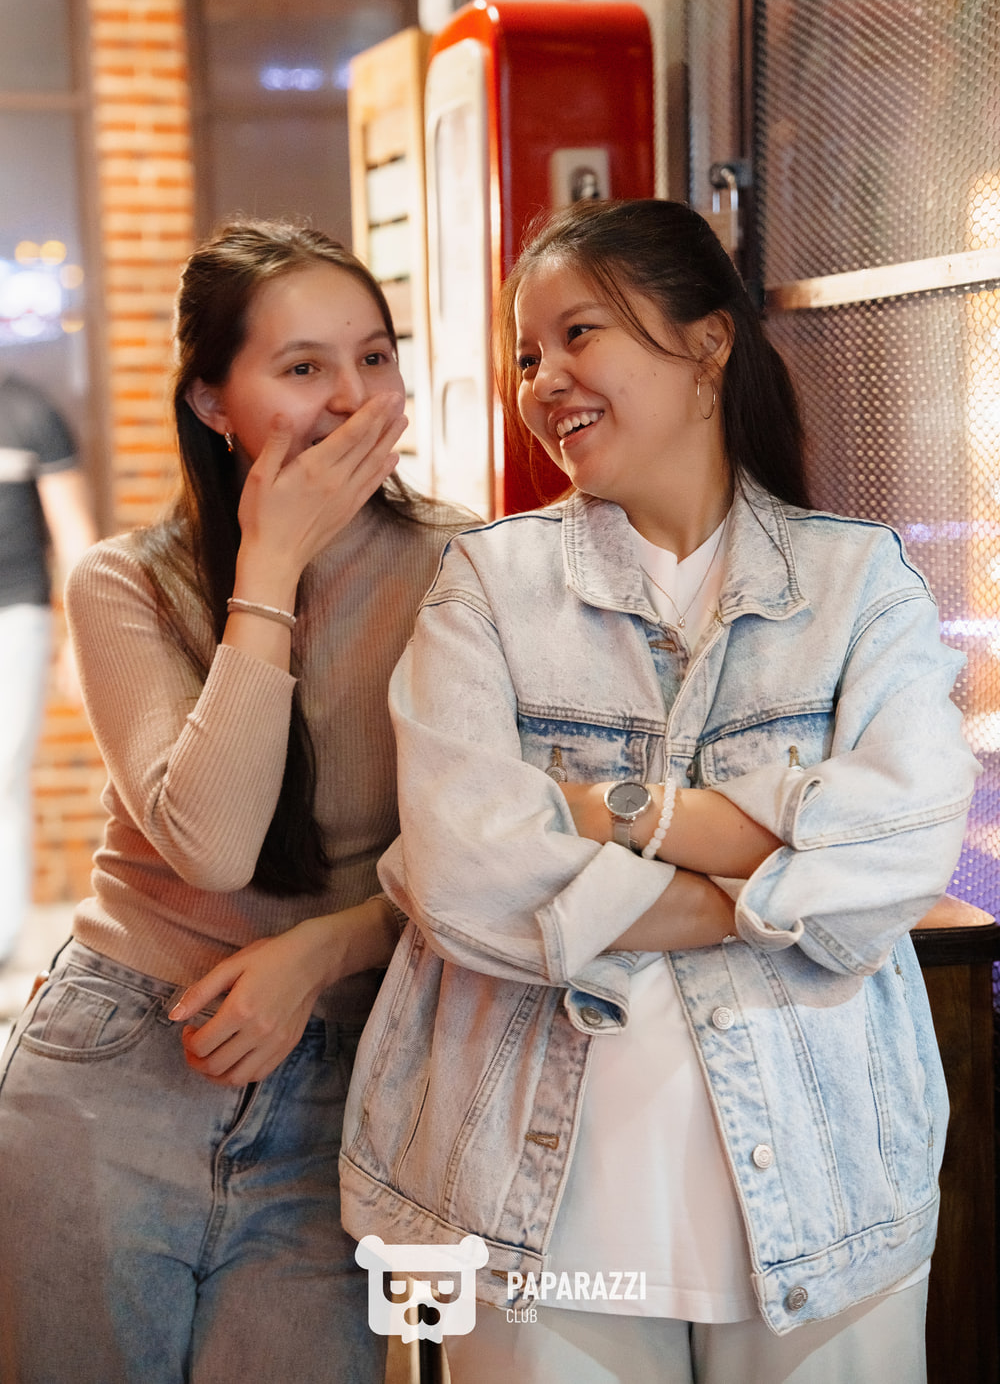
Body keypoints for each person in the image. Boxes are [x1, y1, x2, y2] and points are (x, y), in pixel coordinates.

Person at [339, 199, 980, 1384]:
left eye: (578, 334)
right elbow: (467, 879)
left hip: (825, 1205)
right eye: (527, 355)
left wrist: (618, 815)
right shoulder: (488, 586)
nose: (543, 381)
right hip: (531, 1223)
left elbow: (905, 845)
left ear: (706, 343)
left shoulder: (857, 582)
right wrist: (773, 883)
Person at [0, 220, 462, 1384]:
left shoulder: (470, 570)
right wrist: (269, 569)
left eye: (375, 357)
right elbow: (209, 848)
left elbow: (501, 857)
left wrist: (324, 949)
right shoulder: (127, 582)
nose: (351, 398)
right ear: (213, 402)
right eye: (303, 367)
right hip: (120, 1069)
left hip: (347, 1083)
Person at [0, 372, 95, 967]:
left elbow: (74, 531)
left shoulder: (28, 409)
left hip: (16, 618)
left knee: (3, 773)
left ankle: (2, 943)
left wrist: (80, 640)